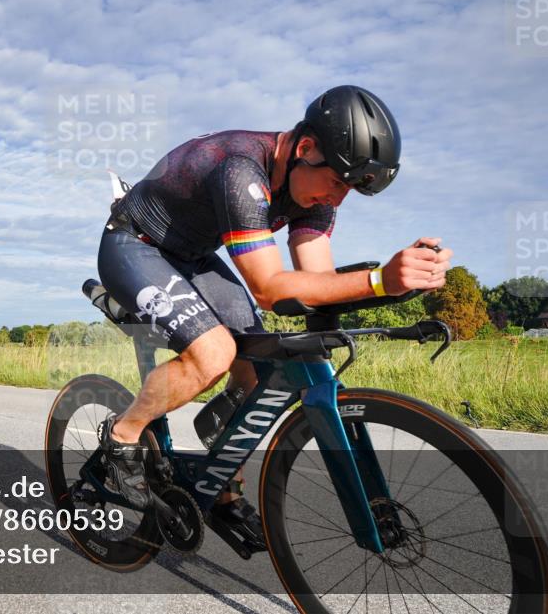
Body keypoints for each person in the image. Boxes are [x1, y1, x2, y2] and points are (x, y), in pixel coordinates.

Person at [96, 85, 453, 547]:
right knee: (214, 353)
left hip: (193, 255)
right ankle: (123, 436)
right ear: (305, 149)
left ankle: (221, 489)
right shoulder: (241, 170)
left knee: (259, 366)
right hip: (135, 244)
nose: (337, 200)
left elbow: (318, 283)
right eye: (339, 183)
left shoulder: (315, 193)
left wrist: (397, 286)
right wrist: (380, 280)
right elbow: (268, 289)